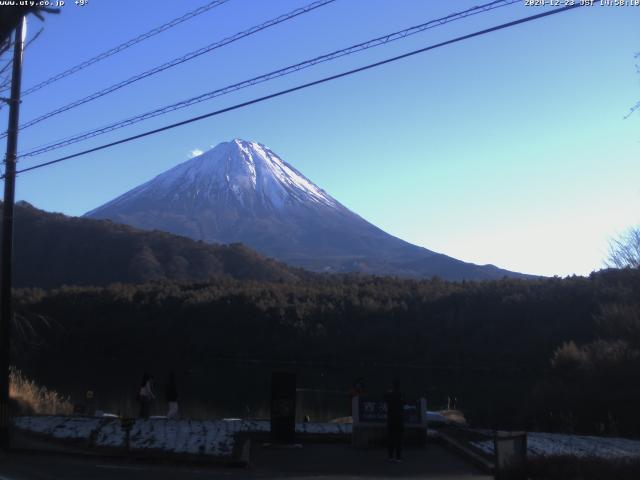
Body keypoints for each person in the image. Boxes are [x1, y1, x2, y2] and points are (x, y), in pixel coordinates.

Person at [384, 379, 404, 462]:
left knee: (390, 437)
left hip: (391, 418)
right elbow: (405, 402)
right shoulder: (401, 394)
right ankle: (398, 457)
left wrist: (389, 392)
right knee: (399, 438)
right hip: (399, 418)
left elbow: (384, 398)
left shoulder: (389, 394)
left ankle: (390, 456)